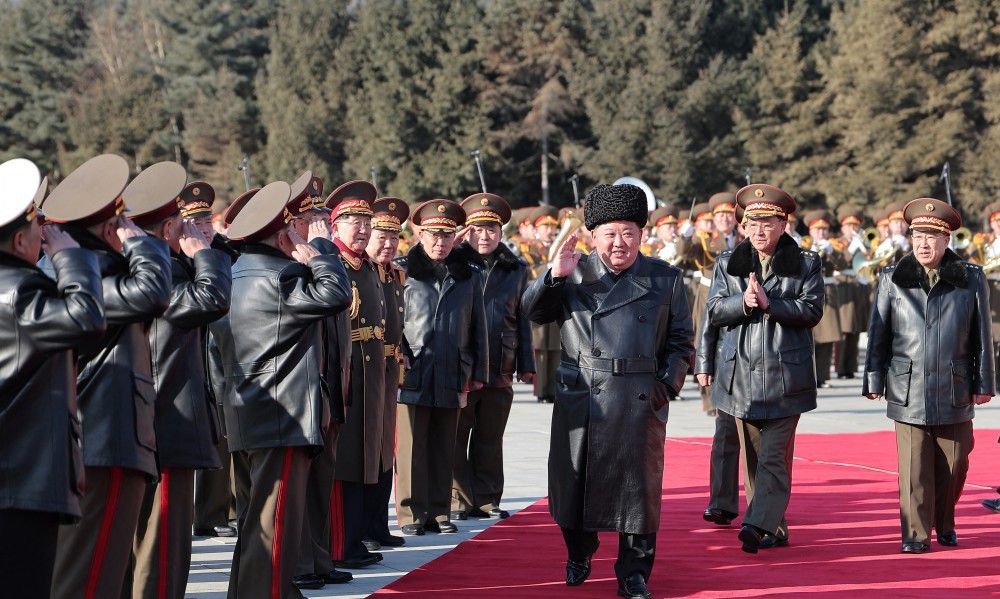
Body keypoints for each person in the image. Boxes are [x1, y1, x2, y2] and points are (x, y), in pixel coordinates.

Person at [522, 183, 694, 599]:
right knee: (573, 483)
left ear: (642, 234)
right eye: (610, 233)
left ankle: (634, 573)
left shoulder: (664, 278)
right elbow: (532, 312)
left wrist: (665, 386)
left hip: (639, 395)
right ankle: (579, 551)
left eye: (629, 232)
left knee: (639, 490)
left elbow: (681, 340)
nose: (620, 242)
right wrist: (553, 277)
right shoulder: (573, 272)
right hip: (584, 395)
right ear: (593, 235)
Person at [210, 180, 351, 599]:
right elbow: (336, 295)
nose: (307, 232)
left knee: (255, 521)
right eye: (299, 227)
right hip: (282, 418)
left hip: (246, 413)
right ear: (284, 235)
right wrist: (322, 254)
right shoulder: (283, 275)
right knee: (275, 525)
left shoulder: (233, 272)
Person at [41, 154, 173, 599]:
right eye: (123, 222)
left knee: (97, 572)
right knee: (91, 576)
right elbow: (154, 293)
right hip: (106, 438)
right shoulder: (93, 272)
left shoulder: (79, 268)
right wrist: (143, 244)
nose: (131, 229)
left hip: (99, 438)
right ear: (109, 229)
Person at [123, 163, 233, 599]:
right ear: (169, 228)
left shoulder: (142, 265)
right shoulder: (165, 271)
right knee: (162, 549)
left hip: (147, 420)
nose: (194, 230)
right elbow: (213, 298)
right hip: (167, 421)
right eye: (184, 223)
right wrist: (204, 252)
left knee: (144, 543)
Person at [863, 198, 994, 554]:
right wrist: (873, 378)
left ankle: (944, 521)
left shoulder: (971, 278)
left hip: (955, 384)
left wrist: (984, 383)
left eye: (932, 237)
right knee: (914, 467)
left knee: (955, 463)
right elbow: (879, 333)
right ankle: (915, 534)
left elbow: (982, 335)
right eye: (918, 236)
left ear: (946, 239)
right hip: (908, 386)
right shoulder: (892, 278)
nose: (923, 244)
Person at [0, 159, 105, 597]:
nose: (46, 237)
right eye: (39, 229)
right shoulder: (22, 289)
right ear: (19, 239)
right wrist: (71, 258)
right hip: (22, 480)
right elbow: (87, 319)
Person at [704, 183, 823, 554]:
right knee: (754, 458)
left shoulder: (806, 263)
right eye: (752, 223)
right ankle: (775, 528)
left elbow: (812, 311)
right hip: (740, 375)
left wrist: (771, 304)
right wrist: (743, 302)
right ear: (743, 226)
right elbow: (713, 311)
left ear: (783, 225)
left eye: (768, 223)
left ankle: (756, 524)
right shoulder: (728, 263)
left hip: (786, 376)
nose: (759, 230)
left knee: (773, 455)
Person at [394, 199, 489, 536]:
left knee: (444, 445)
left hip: (453, 371)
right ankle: (410, 513)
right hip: (415, 369)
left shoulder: (468, 276)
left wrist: (479, 372)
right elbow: (392, 320)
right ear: (419, 234)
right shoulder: (401, 271)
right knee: (412, 448)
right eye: (434, 234)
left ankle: (439, 511)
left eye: (447, 235)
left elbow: (478, 326)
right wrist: (399, 353)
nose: (440, 242)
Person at [451, 192, 535, 522]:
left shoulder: (516, 269)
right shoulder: (453, 262)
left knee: (490, 436)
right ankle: (458, 499)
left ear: (501, 232)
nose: (483, 236)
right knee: (456, 435)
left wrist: (527, 364)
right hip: (463, 364)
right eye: (476, 229)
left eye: (491, 229)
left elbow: (523, 319)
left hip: (501, 362)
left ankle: (487, 498)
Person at [325, 180, 389, 569]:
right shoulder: (332, 263)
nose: (363, 230)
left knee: (366, 458)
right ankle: (340, 545)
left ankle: (355, 537)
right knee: (345, 462)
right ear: (335, 227)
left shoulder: (367, 266)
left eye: (367, 223)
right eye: (354, 223)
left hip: (371, 373)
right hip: (346, 373)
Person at [363, 197, 410, 550]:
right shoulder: (364, 272)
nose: (388, 244)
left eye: (394, 238)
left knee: (384, 451)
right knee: (367, 452)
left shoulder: (395, 274)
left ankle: (378, 524)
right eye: (382, 237)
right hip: (366, 367)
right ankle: (363, 527)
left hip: (390, 369)